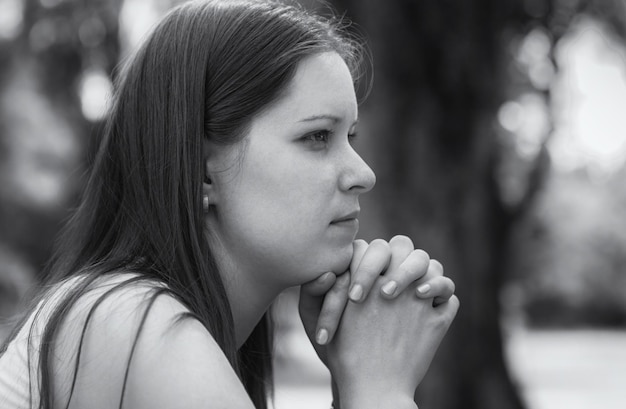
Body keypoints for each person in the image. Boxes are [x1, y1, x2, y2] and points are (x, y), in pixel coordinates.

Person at [0, 1, 459, 408]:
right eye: (317, 136)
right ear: (202, 171)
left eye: (349, 137)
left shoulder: (165, 325)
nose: (363, 174)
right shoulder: (135, 322)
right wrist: (378, 390)